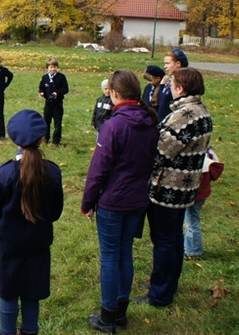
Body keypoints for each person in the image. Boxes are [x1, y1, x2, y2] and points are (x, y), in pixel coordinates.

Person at [81, 70, 159, 333]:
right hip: (137, 199)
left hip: (115, 201)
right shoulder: (150, 121)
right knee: (124, 253)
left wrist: (88, 202)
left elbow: (98, 169)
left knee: (111, 257)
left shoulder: (114, 126)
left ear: (115, 93)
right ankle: (119, 312)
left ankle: (109, 315)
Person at [138, 67, 213, 307]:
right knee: (172, 239)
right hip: (185, 188)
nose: (169, 87)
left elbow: (160, 152)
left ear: (180, 88)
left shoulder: (184, 115)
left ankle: (160, 294)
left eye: (172, 84)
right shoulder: (201, 111)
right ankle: (166, 283)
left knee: (164, 241)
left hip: (168, 190)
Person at [0, 110, 64, 335]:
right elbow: (55, 212)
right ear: (42, 139)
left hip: (11, 244)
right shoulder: (52, 173)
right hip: (38, 244)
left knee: (9, 292)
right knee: (32, 292)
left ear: (13, 140)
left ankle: (7, 331)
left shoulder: (5, 174)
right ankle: (30, 330)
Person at [184, 148, 224, 260]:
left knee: (192, 222)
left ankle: (194, 251)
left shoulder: (195, 161)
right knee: (190, 220)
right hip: (201, 196)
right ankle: (188, 245)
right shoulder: (207, 156)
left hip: (194, 197)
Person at [38, 58, 69, 146]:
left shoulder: (61, 77)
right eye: (51, 67)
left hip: (58, 103)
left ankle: (56, 140)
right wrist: (41, 93)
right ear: (47, 68)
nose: (53, 69)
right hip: (48, 103)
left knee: (58, 122)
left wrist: (57, 93)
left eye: (54, 67)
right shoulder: (44, 78)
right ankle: (45, 138)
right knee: (46, 121)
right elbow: (41, 88)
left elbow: (65, 89)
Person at [157, 48, 188, 121]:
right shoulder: (169, 81)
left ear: (178, 64)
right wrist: (162, 85)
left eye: (168, 63)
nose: (165, 67)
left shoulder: (182, 84)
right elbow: (161, 101)